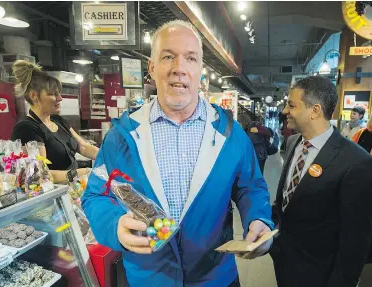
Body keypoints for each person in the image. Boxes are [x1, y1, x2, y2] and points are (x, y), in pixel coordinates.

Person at [82, 20, 274, 286]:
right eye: (168, 57)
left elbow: (250, 185)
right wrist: (114, 225)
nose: (179, 69)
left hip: (215, 277)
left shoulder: (229, 133)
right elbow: (96, 194)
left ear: (200, 71)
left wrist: (258, 218)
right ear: (152, 67)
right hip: (148, 278)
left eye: (190, 58)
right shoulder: (122, 136)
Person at [270, 76, 372, 287]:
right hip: (285, 264)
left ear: (315, 110)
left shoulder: (356, 161)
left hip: (321, 274)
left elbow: (355, 239)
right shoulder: (292, 143)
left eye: (291, 105)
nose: (284, 111)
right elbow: (287, 203)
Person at [11, 60, 99, 183]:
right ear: (33, 96)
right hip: (54, 194)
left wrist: (110, 158)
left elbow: (83, 147)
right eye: (53, 94)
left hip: (74, 189)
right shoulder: (27, 128)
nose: (60, 98)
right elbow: (41, 174)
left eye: (59, 93)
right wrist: (85, 172)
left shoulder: (58, 120)